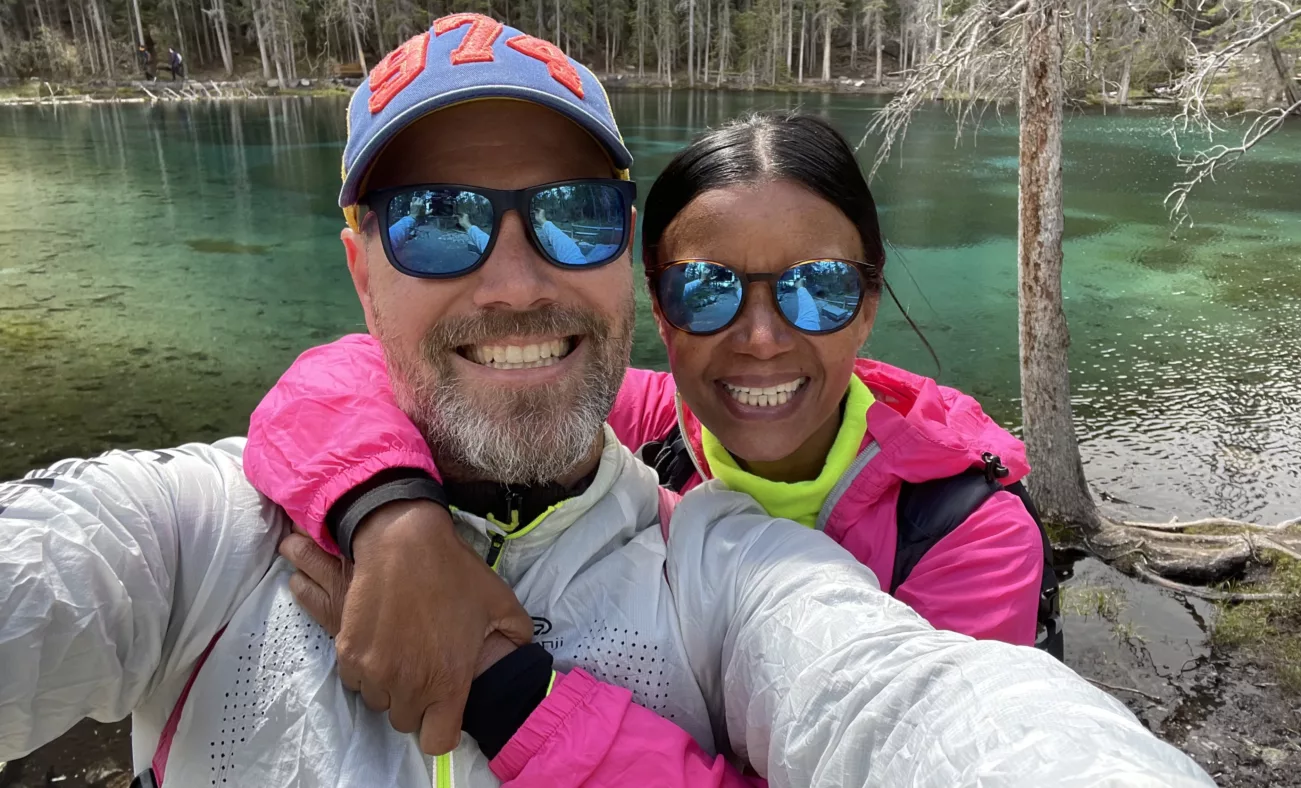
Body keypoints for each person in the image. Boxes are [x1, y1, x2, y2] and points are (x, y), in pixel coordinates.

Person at [0, 15, 1216, 788]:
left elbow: (919, 707)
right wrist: (385, 508)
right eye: (436, 220)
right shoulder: (194, 541)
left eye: (572, 213)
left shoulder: (842, 541)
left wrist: (507, 692)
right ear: (359, 265)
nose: (518, 280)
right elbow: (335, 378)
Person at [245, 112, 1060, 676]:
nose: (763, 336)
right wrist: (391, 519)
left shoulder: (965, 531)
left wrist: (498, 686)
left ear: (867, 309)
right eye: (707, 290)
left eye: (818, 288)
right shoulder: (653, 421)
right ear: (661, 315)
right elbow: (357, 371)